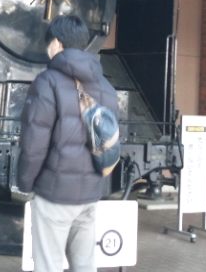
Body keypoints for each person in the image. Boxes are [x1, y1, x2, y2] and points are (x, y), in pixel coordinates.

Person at [17, 15, 119, 272]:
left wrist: (25, 183)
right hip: (90, 193)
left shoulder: (47, 82)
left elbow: (34, 144)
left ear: (57, 43)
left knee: (48, 265)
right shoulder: (106, 86)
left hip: (55, 195)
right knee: (84, 265)